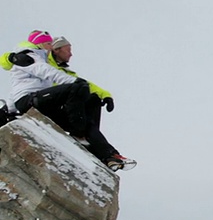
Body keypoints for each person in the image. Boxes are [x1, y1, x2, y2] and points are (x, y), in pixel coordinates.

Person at [7, 30, 135, 171]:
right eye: (49, 43)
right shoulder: (29, 56)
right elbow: (45, 72)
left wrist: (103, 94)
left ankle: (107, 155)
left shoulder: (45, 59)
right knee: (79, 89)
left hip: (49, 101)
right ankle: (78, 134)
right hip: (32, 100)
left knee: (91, 101)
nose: (71, 54)